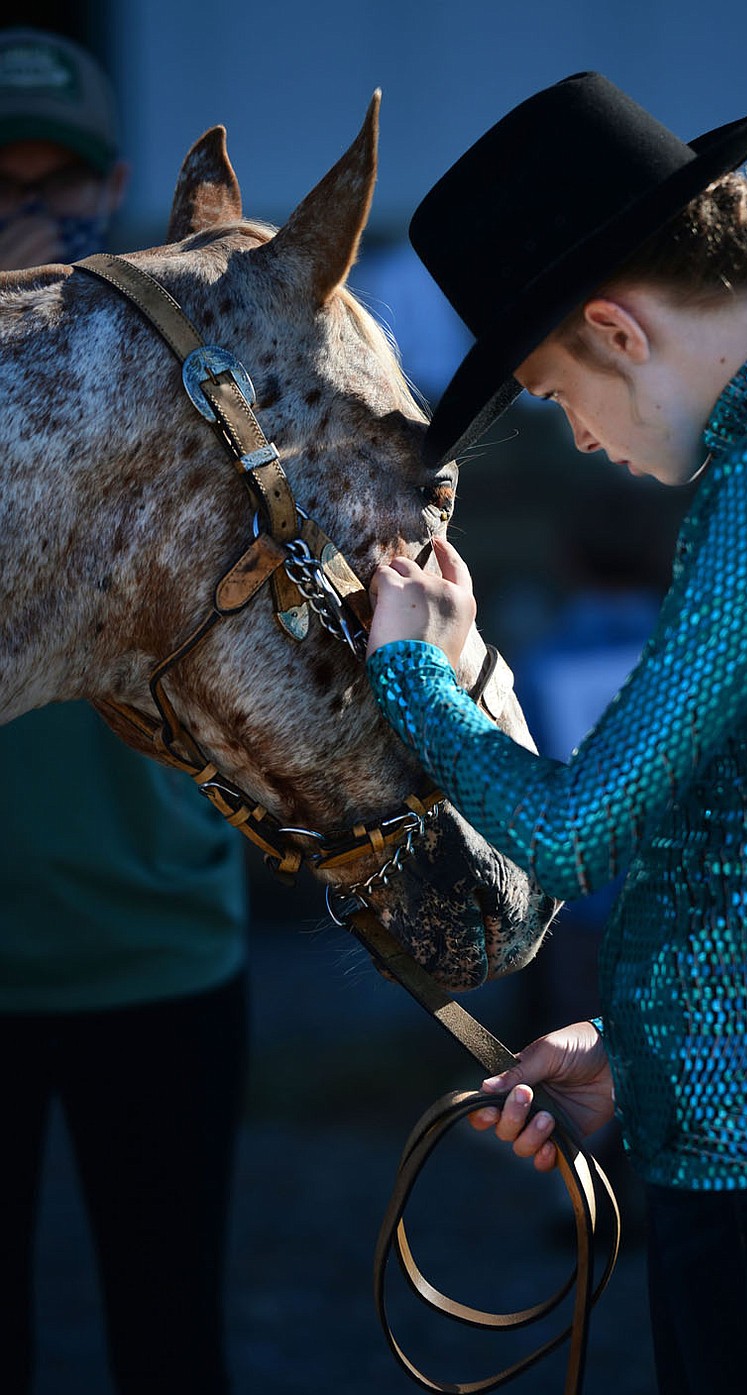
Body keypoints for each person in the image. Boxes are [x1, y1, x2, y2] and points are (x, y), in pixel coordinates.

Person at [361, 73, 747, 1394]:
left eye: (551, 391)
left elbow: (568, 828)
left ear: (616, 328)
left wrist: (414, 672)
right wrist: (644, 1043)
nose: (582, 440)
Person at [0, 28, 248, 1394]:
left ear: (120, 184)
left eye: (63, 179)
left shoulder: (180, 364)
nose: (31, 209)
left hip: (157, 938)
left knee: (172, 1336)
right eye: (0, 177)